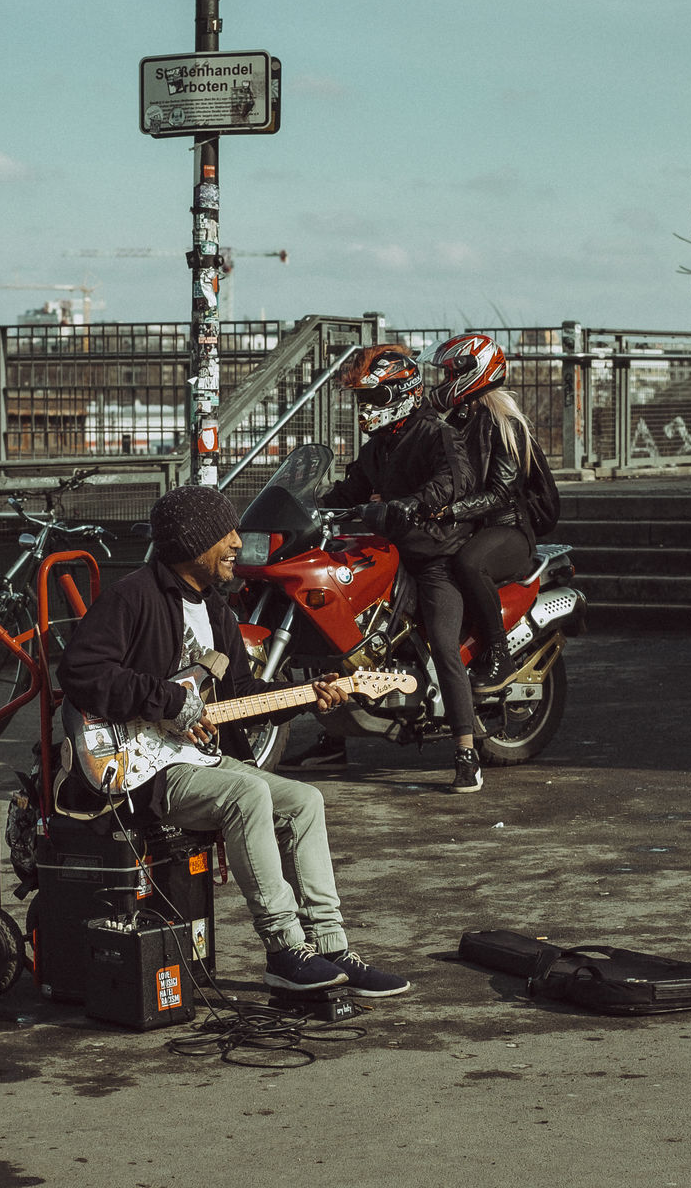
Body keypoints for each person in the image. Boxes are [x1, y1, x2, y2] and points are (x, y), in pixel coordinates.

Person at [56, 483, 410, 998]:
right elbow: (81, 674)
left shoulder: (218, 611)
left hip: (198, 758)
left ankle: (331, 947)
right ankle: (285, 950)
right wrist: (171, 702)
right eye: (224, 535)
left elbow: (241, 696)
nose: (235, 545)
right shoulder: (132, 597)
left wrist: (311, 696)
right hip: (147, 772)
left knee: (306, 800)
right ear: (193, 544)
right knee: (250, 796)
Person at [320, 344, 485, 795]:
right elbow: (349, 488)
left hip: (434, 556)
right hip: (387, 554)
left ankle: (466, 751)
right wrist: (306, 506)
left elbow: (455, 481)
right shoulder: (379, 446)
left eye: (372, 399)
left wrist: (413, 504)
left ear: (401, 393)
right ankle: (330, 738)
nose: (364, 409)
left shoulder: (436, 434)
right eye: (361, 400)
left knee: (444, 645)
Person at [424, 334, 537, 696]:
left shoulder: (505, 422)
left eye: (449, 374)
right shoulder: (457, 419)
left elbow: (501, 492)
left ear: (474, 372)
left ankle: (499, 654)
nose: (443, 383)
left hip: (505, 528)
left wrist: (452, 510)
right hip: (468, 524)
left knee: (470, 564)